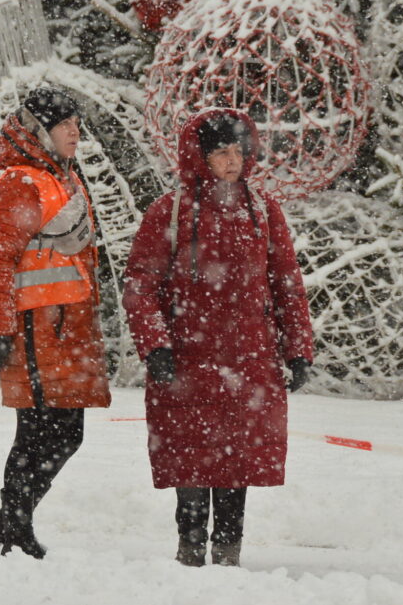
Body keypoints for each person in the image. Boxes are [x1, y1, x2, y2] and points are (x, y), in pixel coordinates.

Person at [121, 108, 314, 568]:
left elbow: (287, 282)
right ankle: (190, 548)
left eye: (237, 152)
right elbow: (140, 285)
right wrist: (156, 345)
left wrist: (298, 348)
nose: (231, 162)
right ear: (199, 156)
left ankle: (229, 551)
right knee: (191, 457)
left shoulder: (264, 211)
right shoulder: (168, 212)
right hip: (188, 358)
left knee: (237, 458)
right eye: (221, 153)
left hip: (250, 357)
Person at [0, 86, 111, 560]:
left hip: (69, 325)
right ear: (39, 131)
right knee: (35, 432)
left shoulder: (63, 178)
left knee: (67, 432)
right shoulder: (22, 181)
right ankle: (14, 524)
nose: (76, 132)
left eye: (77, 123)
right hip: (34, 327)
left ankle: (8, 520)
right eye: (65, 124)